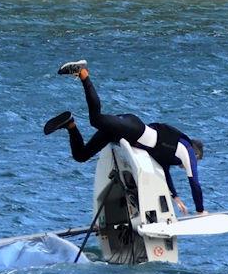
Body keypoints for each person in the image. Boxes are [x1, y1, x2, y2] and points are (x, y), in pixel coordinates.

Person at [44, 60, 206, 215]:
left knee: (81, 155)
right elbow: (195, 184)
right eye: (195, 160)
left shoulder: (170, 155)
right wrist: (200, 210)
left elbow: (165, 173)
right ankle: (83, 73)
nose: (190, 165)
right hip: (134, 128)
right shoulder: (187, 149)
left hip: (122, 134)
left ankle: (70, 124)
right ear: (196, 154)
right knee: (96, 119)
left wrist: (174, 196)